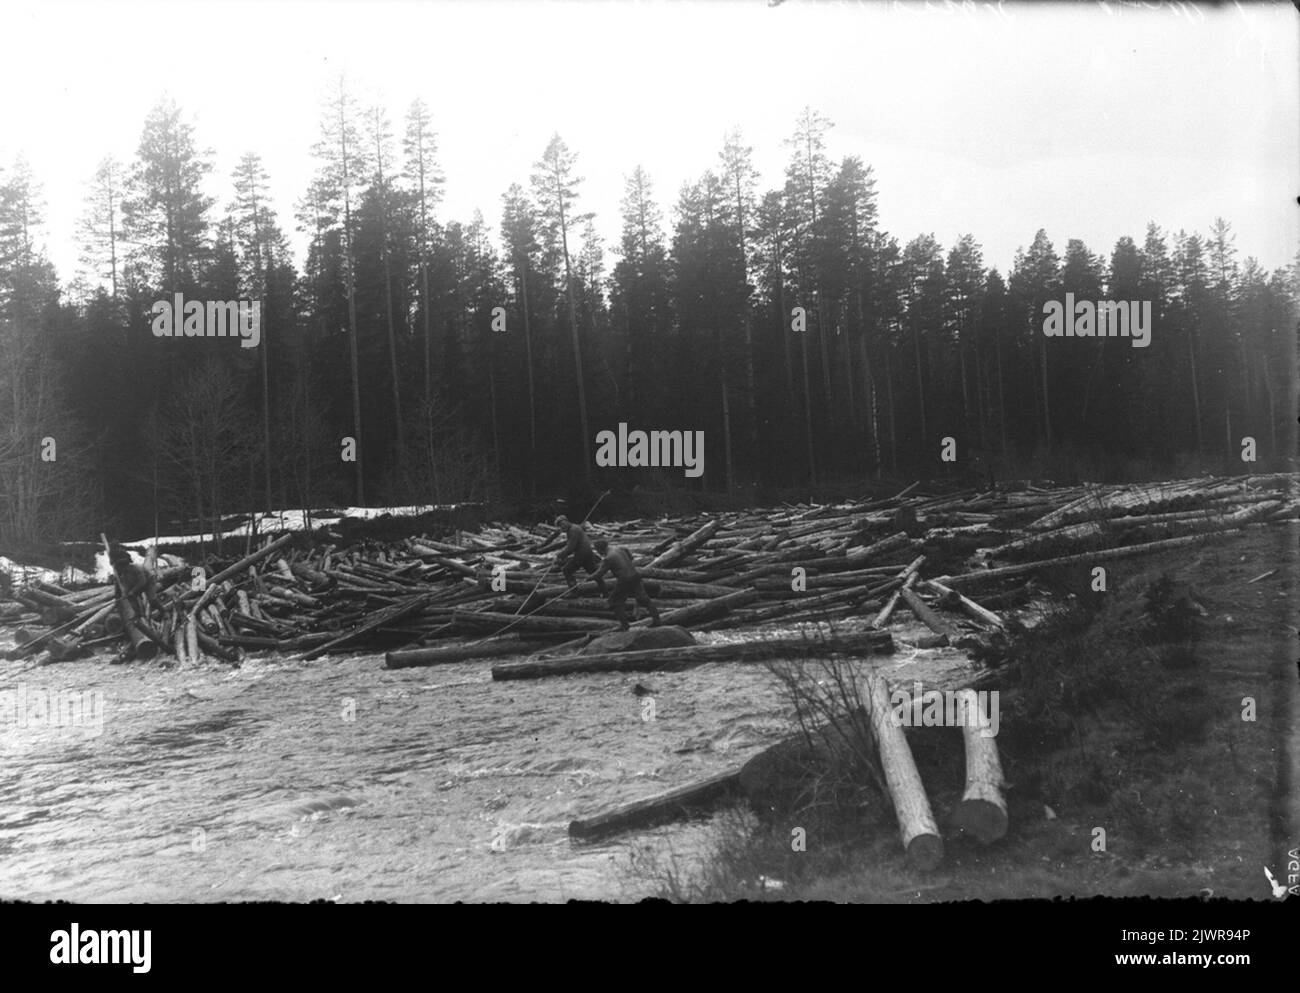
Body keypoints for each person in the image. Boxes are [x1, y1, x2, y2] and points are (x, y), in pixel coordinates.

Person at [591, 537, 661, 630]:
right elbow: (631, 558)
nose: (597, 553)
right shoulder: (620, 549)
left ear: (600, 549)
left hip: (625, 580)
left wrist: (589, 578)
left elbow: (600, 573)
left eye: (597, 550)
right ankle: (657, 621)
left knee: (614, 601)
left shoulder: (608, 558)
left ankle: (624, 625)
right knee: (644, 599)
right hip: (635, 576)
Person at [553, 515, 607, 594]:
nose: (562, 526)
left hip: (582, 554)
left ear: (567, 521)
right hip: (587, 553)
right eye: (560, 525)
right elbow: (570, 546)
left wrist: (560, 555)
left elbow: (571, 547)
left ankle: (574, 593)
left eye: (563, 524)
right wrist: (562, 554)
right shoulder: (574, 528)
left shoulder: (573, 530)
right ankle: (605, 591)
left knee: (567, 570)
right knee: (593, 572)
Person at [110, 547, 162, 618]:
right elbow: (126, 586)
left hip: (149, 580)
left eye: (121, 568)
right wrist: (125, 593)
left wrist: (132, 591)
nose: (121, 570)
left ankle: (163, 611)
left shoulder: (136, 568)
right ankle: (138, 614)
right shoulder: (123, 574)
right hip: (138, 583)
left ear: (125, 565)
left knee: (151, 599)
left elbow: (143, 581)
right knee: (131, 597)